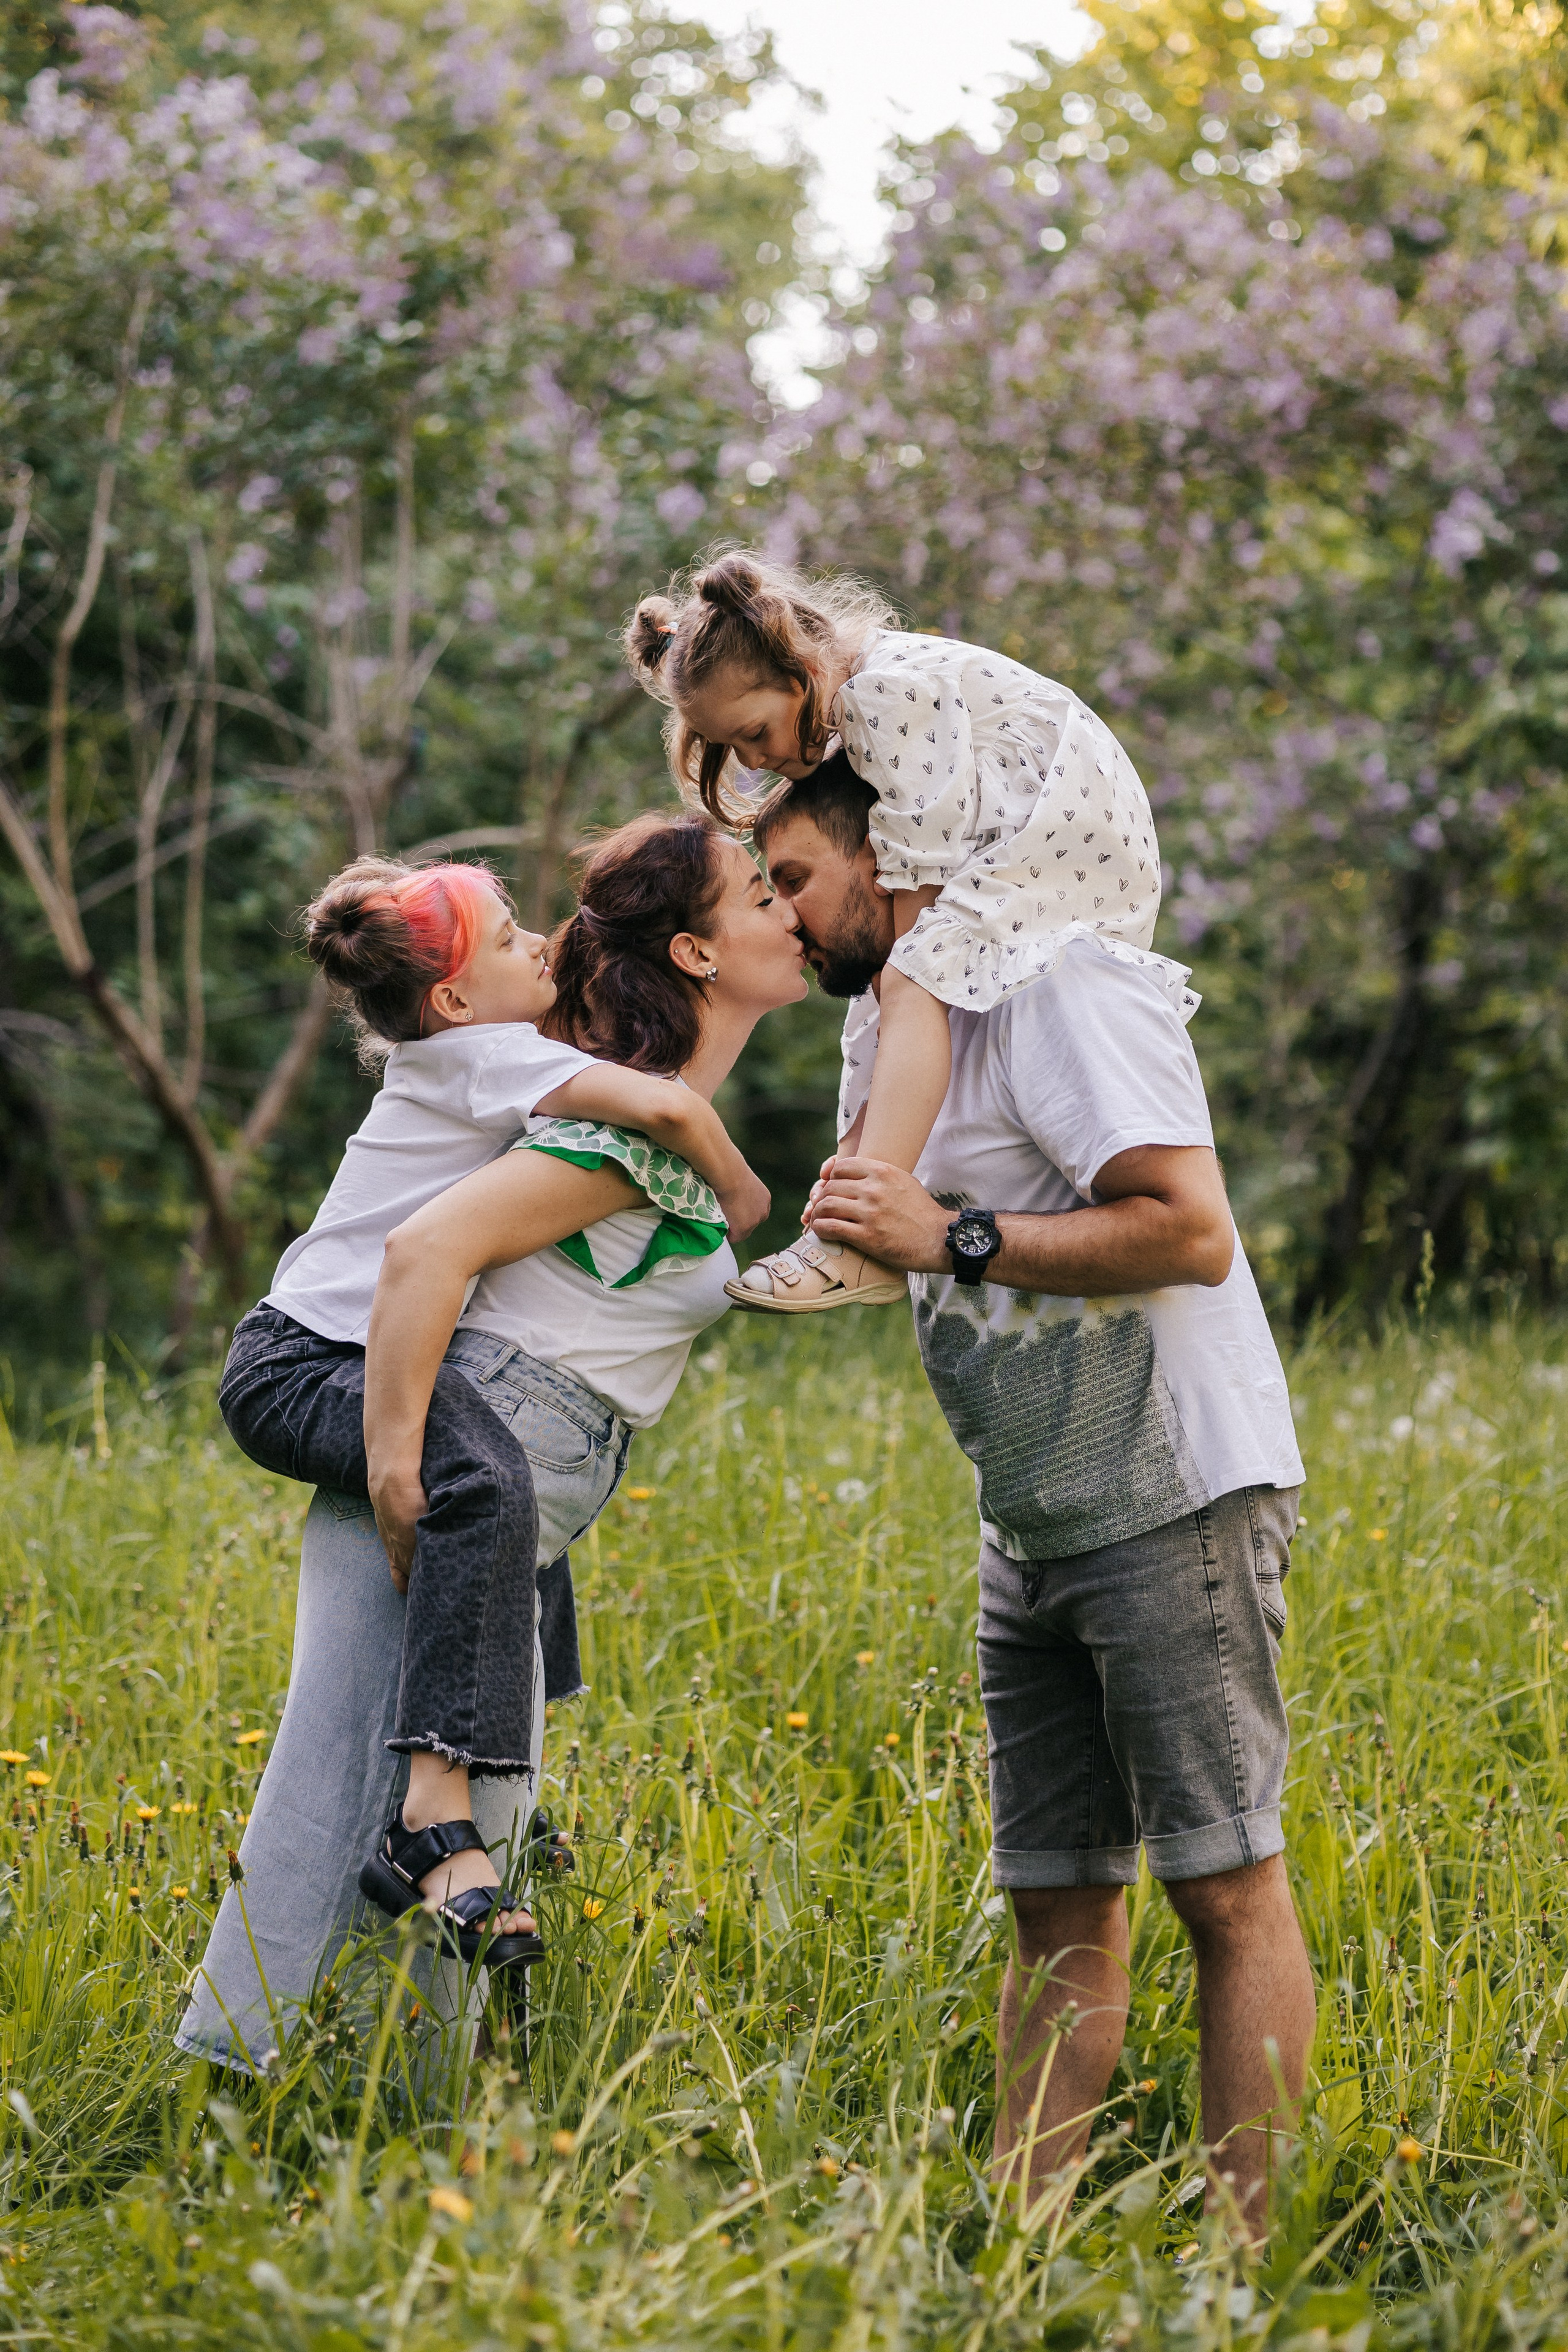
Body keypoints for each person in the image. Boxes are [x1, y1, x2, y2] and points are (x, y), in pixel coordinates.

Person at [749, 755, 1313, 2227]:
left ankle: (1238, 2275)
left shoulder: (1059, 985)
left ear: (890, 859)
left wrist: (955, 1235)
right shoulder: (892, 1033)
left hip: (1169, 1494)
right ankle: (1017, 2246)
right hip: (1033, 1514)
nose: (782, 917)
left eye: (796, 880)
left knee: (1221, 1885)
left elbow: (1186, 1232)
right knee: (1056, 1904)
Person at [179, 810, 809, 2074]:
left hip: (494, 1463)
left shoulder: (545, 1074)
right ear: (692, 950)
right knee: (345, 1773)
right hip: (394, 1409)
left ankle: (395, 2106)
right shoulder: (577, 1108)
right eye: (762, 891)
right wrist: (402, 1463)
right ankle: (247, 2091)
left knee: (456, 1799)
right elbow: (426, 1255)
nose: (790, 907)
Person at [624, 551, 1193, 1314]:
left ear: (797, 671)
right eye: (735, 747)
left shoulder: (881, 694)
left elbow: (917, 902)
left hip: (1066, 851)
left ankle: (860, 1233)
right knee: (886, 998)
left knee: (905, 982)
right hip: (1029, 847)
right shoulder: (863, 698)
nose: (756, 760)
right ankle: (849, 1214)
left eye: (755, 731)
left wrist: (906, 987)